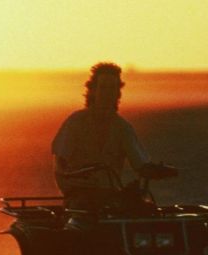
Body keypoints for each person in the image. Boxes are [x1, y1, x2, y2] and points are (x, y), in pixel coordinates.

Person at [52, 62, 152, 210]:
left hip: (110, 196)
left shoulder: (122, 127)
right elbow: (60, 162)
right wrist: (72, 184)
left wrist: (157, 170)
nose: (107, 93)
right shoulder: (75, 122)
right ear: (93, 90)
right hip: (79, 196)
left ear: (118, 92)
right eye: (103, 87)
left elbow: (140, 164)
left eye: (112, 88)